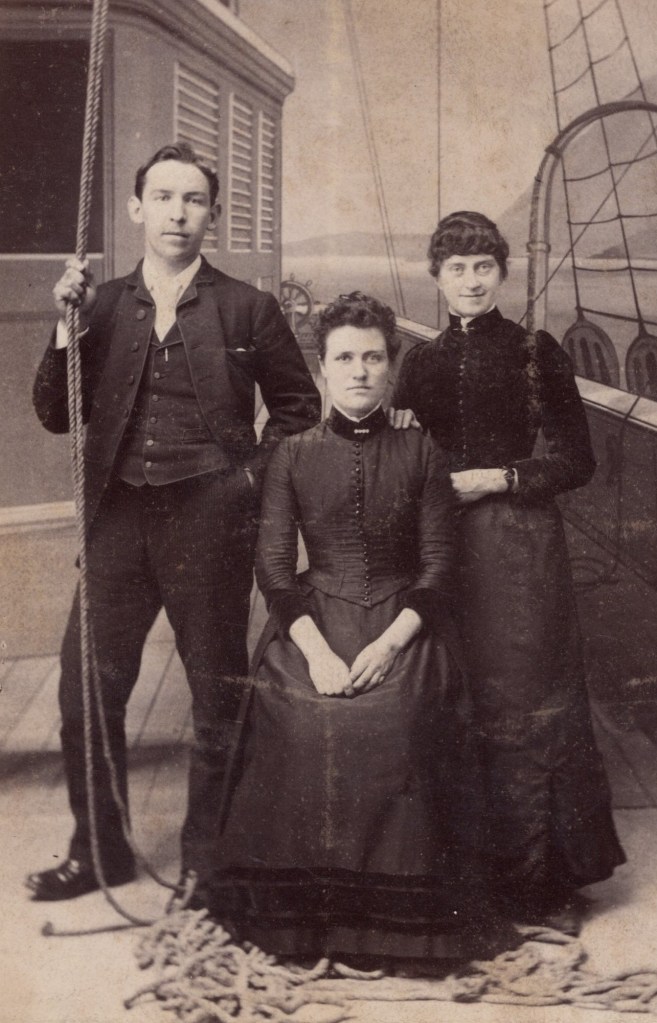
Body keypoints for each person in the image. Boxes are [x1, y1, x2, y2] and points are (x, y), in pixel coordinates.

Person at [27, 142, 321, 902]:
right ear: (137, 208)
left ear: (211, 215)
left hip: (208, 525)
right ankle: (99, 853)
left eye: (193, 200)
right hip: (117, 521)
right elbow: (56, 413)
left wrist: (244, 482)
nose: (177, 213)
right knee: (85, 693)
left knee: (216, 697)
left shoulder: (247, 308)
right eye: (163, 197)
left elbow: (298, 409)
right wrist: (63, 328)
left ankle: (206, 862)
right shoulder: (96, 305)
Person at [207, 292, 513, 965]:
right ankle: (312, 914)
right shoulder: (292, 454)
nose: (359, 371)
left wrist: (390, 642)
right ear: (321, 368)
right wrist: (316, 654)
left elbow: (439, 566)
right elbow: (274, 569)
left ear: (391, 366)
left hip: (406, 619)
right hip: (314, 623)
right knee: (302, 713)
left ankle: (397, 923)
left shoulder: (421, 450)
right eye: (344, 358)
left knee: (398, 715)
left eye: (373, 358)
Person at [390, 211, 625, 934]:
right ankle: (467, 877)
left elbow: (578, 460)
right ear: (436, 277)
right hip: (441, 544)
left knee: (528, 698)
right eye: (457, 268)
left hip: (520, 543)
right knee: (452, 692)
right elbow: (400, 456)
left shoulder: (534, 351)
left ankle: (543, 882)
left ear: (501, 273)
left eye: (483, 267)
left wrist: (500, 477)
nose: (470, 281)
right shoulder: (418, 364)